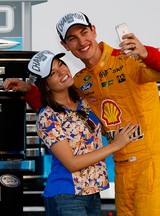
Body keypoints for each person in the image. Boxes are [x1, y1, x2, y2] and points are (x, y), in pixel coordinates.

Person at [4, 12, 160, 216]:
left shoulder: (129, 58)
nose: (81, 42)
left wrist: (147, 53)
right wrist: (29, 89)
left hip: (151, 165)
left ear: (93, 31)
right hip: (121, 170)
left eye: (84, 32)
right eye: (72, 38)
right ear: (65, 46)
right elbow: (59, 108)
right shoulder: (79, 81)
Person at [19, 50, 139, 216]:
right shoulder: (47, 117)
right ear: (46, 85)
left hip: (92, 193)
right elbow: (72, 164)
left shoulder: (84, 101)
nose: (62, 71)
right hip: (66, 196)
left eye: (61, 64)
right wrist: (115, 146)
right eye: (53, 73)